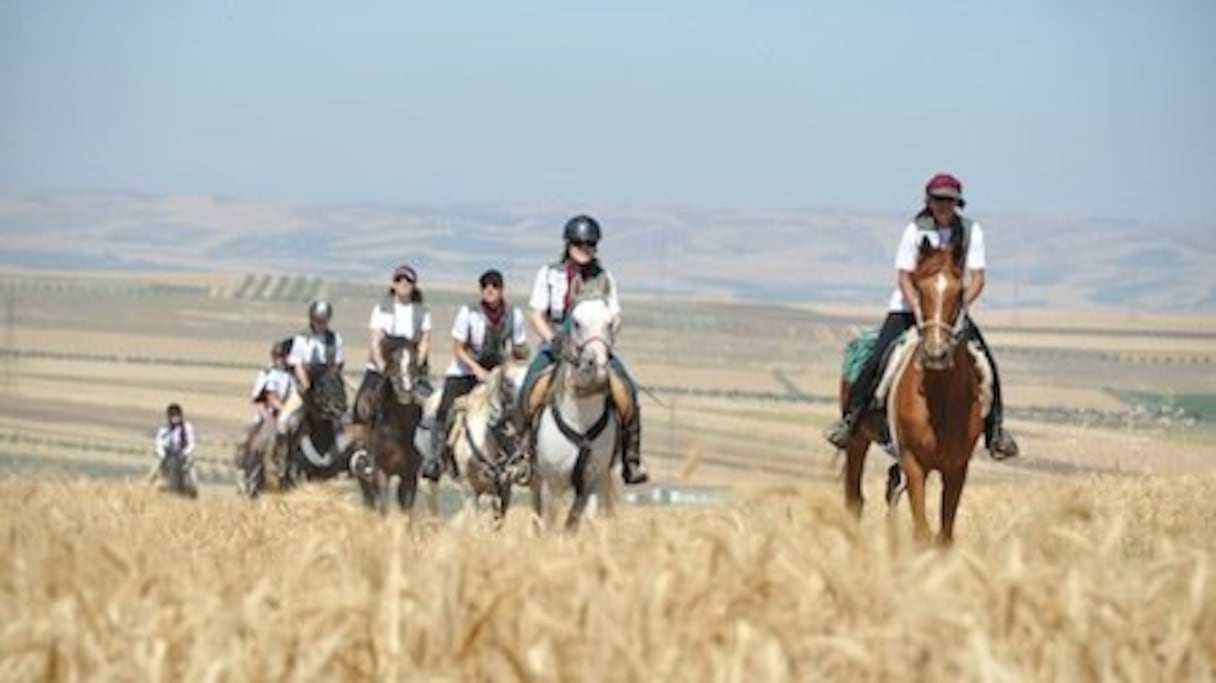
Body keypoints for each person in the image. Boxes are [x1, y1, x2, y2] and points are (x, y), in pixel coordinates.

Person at [823, 173, 1019, 460]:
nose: (943, 206)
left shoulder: (971, 232)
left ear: (957, 203)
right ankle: (852, 420)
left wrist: (959, 307)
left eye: (949, 201)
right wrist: (917, 306)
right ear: (928, 202)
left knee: (987, 366)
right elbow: (904, 275)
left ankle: (995, 433)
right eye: (938, 200)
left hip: (950, 312)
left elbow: (977, 277)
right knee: (878, 358)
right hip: (908, 308)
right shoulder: (914, 231)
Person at [518, 214, 650, 485]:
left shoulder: (604, 278)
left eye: (590, 244)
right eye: (579, 243)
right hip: (556, 346)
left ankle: (631, 459)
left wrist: (604, 340)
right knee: (529, 387)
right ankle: (520, 454)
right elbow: (536, 313)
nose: (584, 248)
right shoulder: (549, 274)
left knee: (628, 391)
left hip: (594, 346)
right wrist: (551, 338)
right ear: (568, 244)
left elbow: (615, 315)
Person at [422, 268, 530, 481]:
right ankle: (435, 458)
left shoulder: (514, 315)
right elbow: (458, 348)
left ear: (502, 290)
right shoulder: (469, 313)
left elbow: (519, 348)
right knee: (445, 408)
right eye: (485, 286)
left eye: (494, 286)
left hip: (497, 373)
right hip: (465, 371)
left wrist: (513, 361)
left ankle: (520, 457)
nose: (490, 290)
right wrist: (476, 369)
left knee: (517, 406)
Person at [352, 264, 433, 426]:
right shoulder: (381, 309)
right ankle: (360, 444)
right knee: (361, 405)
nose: (403, 283)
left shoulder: (422, 312)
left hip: (409, 365)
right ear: (393, 284)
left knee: (430, 406)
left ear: (414, 285)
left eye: (408, 280)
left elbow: (424, 341)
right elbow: (375, 340)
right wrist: (381, 364)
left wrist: (416, 365)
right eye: (399, 280)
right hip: (384, 363)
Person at [279, 300, 345, 438]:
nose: (321, 323)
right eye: (318, 320)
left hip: (328, 391)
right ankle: (283, 454)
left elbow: (337, 366)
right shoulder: (302, 339)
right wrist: (307, 388)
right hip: (304, 389)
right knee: (283, 420)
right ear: (312, 319)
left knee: (345, 421)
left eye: (324, 320)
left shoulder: (335, 339)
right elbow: (298, 365)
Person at [150, 403, 198, 489]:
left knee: (190, 469)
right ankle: (149, 482)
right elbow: (159, 443)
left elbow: (191, 443)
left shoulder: (187, 427)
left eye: (176, 416)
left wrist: (185, 453)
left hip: (182, 454)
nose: (174, 419)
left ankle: (194, 487)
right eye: (172, 416)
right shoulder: (164, 429)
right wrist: (162, 453)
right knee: (156, 464)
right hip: (168, 454)